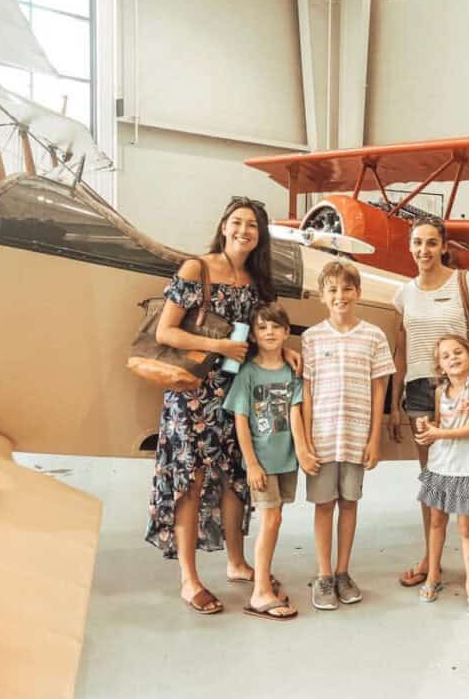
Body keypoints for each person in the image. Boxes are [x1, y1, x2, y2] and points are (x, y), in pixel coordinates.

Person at [145, 196, 300, 615]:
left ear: (260, 236)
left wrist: (282, 353)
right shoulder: (196, 268)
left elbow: (262, 335)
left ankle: (236, 562)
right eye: (237, 222)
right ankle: (189, 579)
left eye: (252, 225)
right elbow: (166, 332)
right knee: (191, 481)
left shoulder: (256, 281)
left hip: (236, 395)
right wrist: (215, 344)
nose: (244, 230)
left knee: (236, 480)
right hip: (192, 393)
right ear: (224, 226)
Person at [387, 216, 469, 593]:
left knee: (467, 474)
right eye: (417, 242)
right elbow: (401, 352)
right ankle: (429, 558)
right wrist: (393, 401)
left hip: (464, 387)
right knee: (433, 479)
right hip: (420, 390)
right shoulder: (403, 294)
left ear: (444, 246)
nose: (424, 250)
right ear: (410, 247)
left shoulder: (467, 283)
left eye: (432, 242)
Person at [299, 260, 395, 610]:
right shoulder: (311, 338)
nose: (341, 296)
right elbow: (306, 392)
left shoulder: (374, 336)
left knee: (349, 504)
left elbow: (379, 390)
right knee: (324, 506)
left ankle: (343, 571)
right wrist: (306, 443)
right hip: (323, 440)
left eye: (347, 289)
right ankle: (323, 575)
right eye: (333, 290)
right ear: (323, 296)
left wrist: (374, 439)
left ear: (358, 293)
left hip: (356, 438)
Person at [223, 300, 305, 621]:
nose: (269, 332)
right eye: (262, 327)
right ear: (253, 335)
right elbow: (240, 420)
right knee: (270, 520)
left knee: (276, 519)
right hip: (261, 462)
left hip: (285, 461)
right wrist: (252, 463)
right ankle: (260, 592)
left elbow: (296, 414)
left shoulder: (291, 371)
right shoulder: (247, 374)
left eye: (275, 327)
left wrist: (303, 452)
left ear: (286, 333)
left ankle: (263, 579)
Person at [413, 334, 469, 614]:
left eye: (458, 352)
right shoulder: (439, 393)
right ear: (440, 367)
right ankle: (434, 575)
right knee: (436, 523)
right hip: (439, 467)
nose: (453, 358)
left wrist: (440, 432)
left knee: (466, 529)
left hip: (466, 469)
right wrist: (427, 428)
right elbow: (438, 422)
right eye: (446, 356)